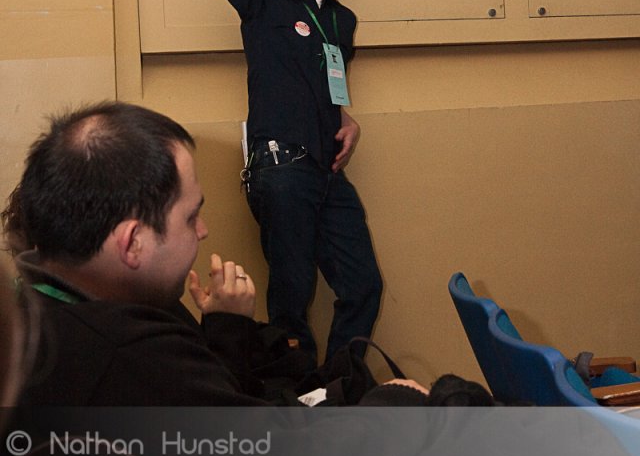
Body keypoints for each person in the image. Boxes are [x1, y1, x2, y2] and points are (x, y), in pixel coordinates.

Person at [5, 100, 421, 409]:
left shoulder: (44, 304)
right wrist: (402, 405)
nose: (203, 231)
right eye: (190, 217)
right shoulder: (130, 355)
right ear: (132, 243)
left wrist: (225, 326)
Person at [207, 0, 382, 362]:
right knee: (291, 298)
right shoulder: (264, 4)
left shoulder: (342, 21)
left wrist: (347, 118)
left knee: (363, 284)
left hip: (328, 171)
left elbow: (327, 81)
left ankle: (342, 386)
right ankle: (303, 399)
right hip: (280, 169)